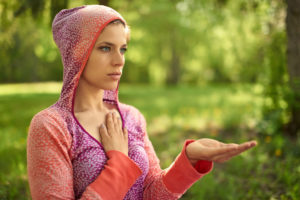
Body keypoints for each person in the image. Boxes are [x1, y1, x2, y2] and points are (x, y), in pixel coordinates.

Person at [27, 5, 257, 200]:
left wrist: (189, 159)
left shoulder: (132, 117)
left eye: (123, 49)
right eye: (105, 48)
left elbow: (152, 192)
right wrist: (118, 162)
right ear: (76, 52)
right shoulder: (51, 126)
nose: (119, 61)